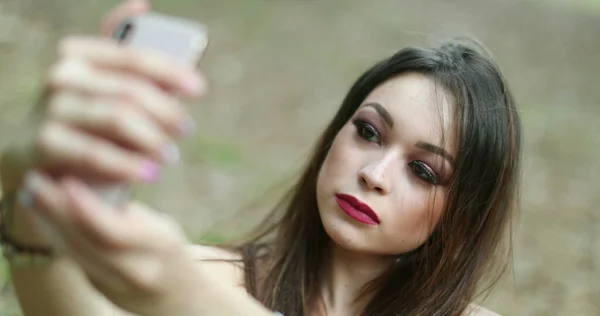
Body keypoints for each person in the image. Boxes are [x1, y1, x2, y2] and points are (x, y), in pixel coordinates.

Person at [0, 0, 521, 315]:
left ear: (465, 213)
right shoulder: (198, 274)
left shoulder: (186, 291)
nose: (374, 174)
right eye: (367, 132)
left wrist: (194, 306)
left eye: (423, 171)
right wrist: (32, 199)